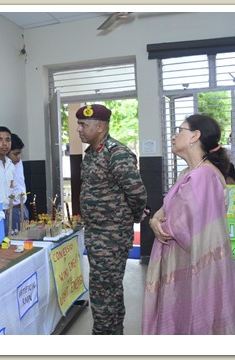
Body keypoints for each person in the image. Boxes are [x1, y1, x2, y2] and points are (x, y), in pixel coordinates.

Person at [143, 114, 235, 335]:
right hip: (188, 262)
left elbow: (174, 227)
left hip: (194, 267)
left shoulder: (202, 177)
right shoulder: (190, 173)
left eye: (179, 130)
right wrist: (155, 218)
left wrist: (156, 223)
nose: (173, 136)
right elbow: (166, 209)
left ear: (195, 136)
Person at [75, 104, 147, 335]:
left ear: (100, 127)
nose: (79, 129)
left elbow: (137, 193)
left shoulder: (117, 153)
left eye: (84, 124)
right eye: (79, 124)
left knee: (104, 290)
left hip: (112, 235)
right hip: (97, 233)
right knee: (106, 289)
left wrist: (130, 218)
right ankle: (112, 334)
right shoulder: (91, 153)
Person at [7, 133, 30, 232]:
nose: (19, 157)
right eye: (15, 154)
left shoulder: (18, 162)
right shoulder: (2, 167)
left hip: (22, 207)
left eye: (20, 153)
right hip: (10, 210)